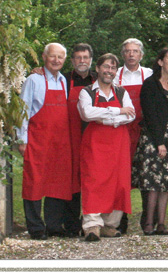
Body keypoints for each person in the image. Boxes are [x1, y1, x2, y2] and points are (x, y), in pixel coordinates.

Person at [17, 42, 73, 240]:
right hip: (38, 140)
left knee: (56, 182)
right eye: (53, 56)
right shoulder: (33, 79)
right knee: (34, 182)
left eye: (60, 57)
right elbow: (22, 111)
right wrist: (21, 139)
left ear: (64, 60)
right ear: (44, 57)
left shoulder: (63, 81)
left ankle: (54, 225)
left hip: (59, 141)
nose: (56, 60)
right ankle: (35, 227)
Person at [77, 53, 135, 240]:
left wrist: (104, 116)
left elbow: (131, 115)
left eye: (112, 68)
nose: (109, 71)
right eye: (106, 67)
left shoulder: (121, 92)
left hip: (118, 142)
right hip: (95, 141)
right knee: (93, 180)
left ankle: (110, 224)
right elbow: (87, 113)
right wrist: (117, 111)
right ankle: (92, 225)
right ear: (98, 68)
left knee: (118, 182)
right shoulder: (87, 92)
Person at [131, 47, 168, 235]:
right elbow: (150, 115)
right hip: (153, 138)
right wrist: (159, 142)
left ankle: (161, 223)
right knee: (152, 182)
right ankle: (148, 223)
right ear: (160, 62)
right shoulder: (150, 84)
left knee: (165, 183)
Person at [116, 38, 153, 234]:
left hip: (144, 130)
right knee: (122, 176)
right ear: (123, 55)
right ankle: (120, 220)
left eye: (135, 51)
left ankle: (148, 221)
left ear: (141, 55)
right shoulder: (115, 76)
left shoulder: (149, 74)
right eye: (128, 51)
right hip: (122, 130)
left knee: (147, 175)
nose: (131, 55)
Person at [62, 43, 95, 236]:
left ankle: (93, 221)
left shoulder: (98, 80)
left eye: (86, 57)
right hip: (70, 135)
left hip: (93, 135)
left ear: (91, 60)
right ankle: (72, 225)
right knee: (72, 181)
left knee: (93, 179)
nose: (82, 61)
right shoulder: (63, 80)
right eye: (78, 58)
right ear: (72, 60)